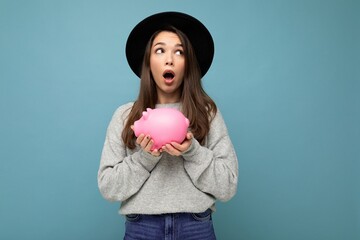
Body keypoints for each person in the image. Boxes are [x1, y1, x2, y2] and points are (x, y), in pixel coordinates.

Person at [98, 11, 238, 240]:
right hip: (141, 227)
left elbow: (228, 187)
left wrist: (192, 152)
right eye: (160, 50)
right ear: (148, 62)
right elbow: (108, 187)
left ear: (187, 64)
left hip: (196, 227)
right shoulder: (125, 116)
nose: (169, 59)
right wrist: (144, 158)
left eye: (179, 52)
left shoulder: (207, 114)